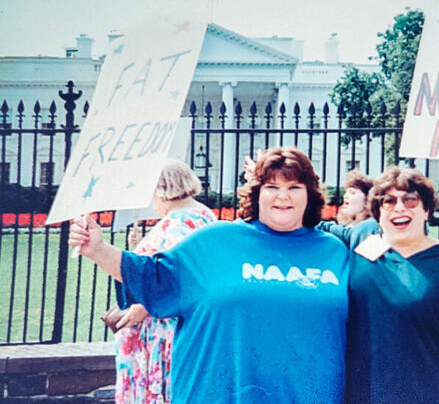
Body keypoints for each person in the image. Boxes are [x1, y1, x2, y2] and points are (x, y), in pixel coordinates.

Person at [69, 147, 350, 404]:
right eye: (272, 186)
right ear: (257, 192)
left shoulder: (334, 252)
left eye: (294, 187)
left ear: (310, 194)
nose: (283, 195)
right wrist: (96, 248)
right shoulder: (213, 241)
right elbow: (151, 277)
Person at [319, 166, 439, 403]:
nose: (399, 207)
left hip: (429, 391)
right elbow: (301, 223)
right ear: (378, 213)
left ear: (426, 210)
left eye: (411, 200)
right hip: (365, 393)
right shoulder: (357, 242)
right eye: (388, 201)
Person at [111, 159, 216, 404]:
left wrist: (144, 306)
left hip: (163, 327)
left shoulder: (177, 224)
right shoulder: (203, 215)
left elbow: (179, 279)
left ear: (162, 189)